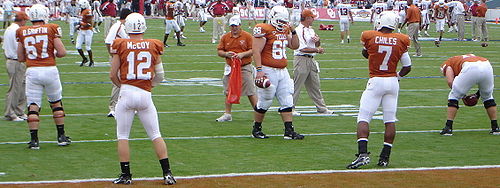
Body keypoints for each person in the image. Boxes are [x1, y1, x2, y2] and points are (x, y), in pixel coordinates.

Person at [109, 13, 176, 185]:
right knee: (155, 134)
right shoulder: (154, 44)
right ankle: (167, 173)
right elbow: (160, 75)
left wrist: (122, 86)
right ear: (144, 27)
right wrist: (149, 86)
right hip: (146, 94)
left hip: (126, 93)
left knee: (123, 135)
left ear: (127, 28)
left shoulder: (120, 44)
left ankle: (126, 175)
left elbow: (112, 75)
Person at [346, 11, 412, 169]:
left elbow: (365, 53)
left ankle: (362, 155)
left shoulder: (369, 36)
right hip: (392, 82)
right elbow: (407, 67)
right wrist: (397, 76)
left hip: (376, 81)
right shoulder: (401, 39)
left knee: (363, 117)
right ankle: (384, 157)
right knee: (389, 119)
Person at [17, 4, 71, 150]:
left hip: (33, 71)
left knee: (33, 106)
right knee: (56, 103)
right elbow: (62, 52)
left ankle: (34, 140)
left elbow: (20, 56)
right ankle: (61, 137)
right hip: (49, 69)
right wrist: (50, 53)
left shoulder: (22, 31)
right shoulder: (51, 28)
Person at [251, 6, 303, 140]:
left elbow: (295, 46)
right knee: (265, 101)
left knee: (287, 99)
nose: (282, 24)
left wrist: (293, 31)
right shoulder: (263, 29)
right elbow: (256, 51)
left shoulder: (286, 29)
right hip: (267, 69)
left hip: (282, 71)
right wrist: (259, 70)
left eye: (284, 21)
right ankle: (256, 129)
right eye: (279, 21)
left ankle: (289, 131)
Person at [439, 54, 499, 136]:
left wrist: (462, 96)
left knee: (454, 96)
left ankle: (448, 128)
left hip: (471, 67)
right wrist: (477, 95)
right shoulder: (469, 56)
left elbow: (450, 81)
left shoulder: (448, 64)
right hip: (486, 64)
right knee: (488, 97)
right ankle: (495, 128)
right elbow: (480, 75)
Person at [215, 16, 257, 122]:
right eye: (232, 26)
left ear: (240, 25)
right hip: (230, 67)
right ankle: (227, 114)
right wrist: (226, 54)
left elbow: (253, 50)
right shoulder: (225, 37)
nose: (234, 28)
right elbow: (219, 51)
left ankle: (258, 112)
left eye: (236, 26)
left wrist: (242, 54)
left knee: (250, 90)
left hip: (244, 66)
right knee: (228, 90)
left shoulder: (247, 36)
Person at [292, 9, 332, 115]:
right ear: (307, 18)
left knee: (315, 85)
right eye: (312, 17)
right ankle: (290, 108)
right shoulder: (299, 30)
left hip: (311, 60)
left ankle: (321, 108)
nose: (313, 19)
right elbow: (301, 48)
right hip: (301, 59)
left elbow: (317, 44)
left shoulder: (310, 30)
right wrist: (317, 50)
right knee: (297, 85)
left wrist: (317, 40)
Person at [104, 8, 132, 118]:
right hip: (118, 57)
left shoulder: (121, 26)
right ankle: (113, 107)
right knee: (118, 82)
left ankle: (125, 105)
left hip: (122, 57)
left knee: (126, 81)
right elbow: (108, 41)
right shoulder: (118, 26)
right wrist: (113, 56)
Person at [3, 11, 29, 122]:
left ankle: (19, 110)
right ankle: (10, 113)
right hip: (16, 61)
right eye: (25, 20)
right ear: (22, 20)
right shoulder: (16, 30)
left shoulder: (9, 29)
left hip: (13, 60)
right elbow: (19, 47)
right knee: (15, 88)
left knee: (22, 87)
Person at [76, 0, 95, 67]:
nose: (79, 6)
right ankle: (84, 59)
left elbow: (89, 24)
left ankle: (92, 61)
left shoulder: (87, 11)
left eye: (80, 5)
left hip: (88, 31)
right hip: (82, 30)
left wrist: (81, 24)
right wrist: (79, 26)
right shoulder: (81, 11)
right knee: (78, 46)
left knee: (88, 47)